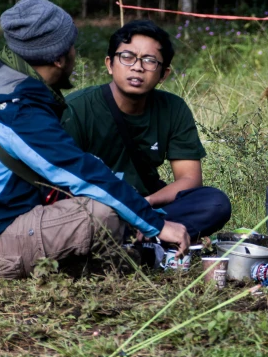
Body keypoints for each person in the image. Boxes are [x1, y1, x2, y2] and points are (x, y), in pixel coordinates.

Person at [0, 0, 190, 280]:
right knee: (102, 212)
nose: (75, 53)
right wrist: (156, 223)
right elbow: (79, 172)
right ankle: (140, 254)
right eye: (72, 46)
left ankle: (134, 255)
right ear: (59, 58)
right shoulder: (18, 110)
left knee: (115, 202)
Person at [61, 20, 231, 245]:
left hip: (147, 203)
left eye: (150, 61)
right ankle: (141, 237)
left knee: (215, 203)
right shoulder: (76, 109)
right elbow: (61, 182)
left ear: (164, 74)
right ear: (110, 64)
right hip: (94, 206)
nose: (137, 67)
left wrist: (144, 204)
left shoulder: (173, 108)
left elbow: (189, 179)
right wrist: (122, 208)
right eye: (127, 57)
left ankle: (137, 235)